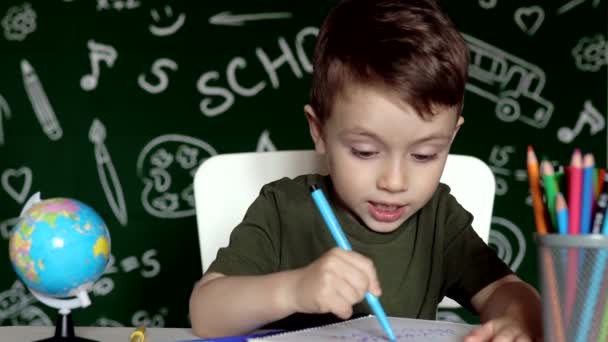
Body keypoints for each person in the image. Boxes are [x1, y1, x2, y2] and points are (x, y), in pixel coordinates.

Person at [189, 0, 543, 341]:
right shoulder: (283, 209)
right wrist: (293, 289)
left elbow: (506, 290)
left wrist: (514, 318)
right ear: (320, 131)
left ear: (451, 138)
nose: (394, 182)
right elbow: (206, 314)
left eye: (424, 154)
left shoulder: (439, 220)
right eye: (365, 151)